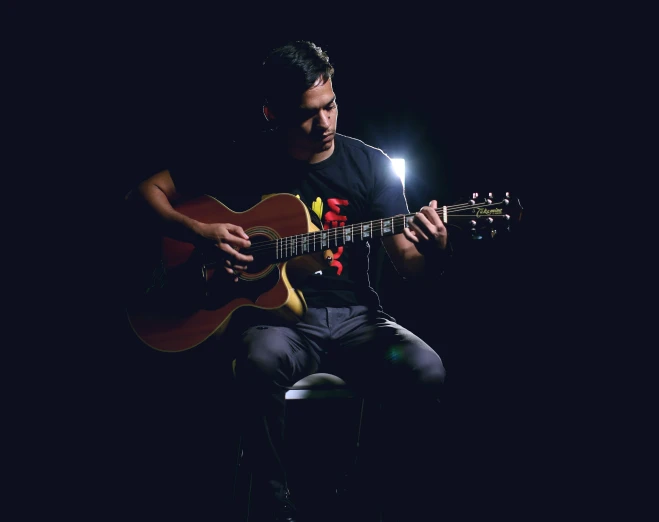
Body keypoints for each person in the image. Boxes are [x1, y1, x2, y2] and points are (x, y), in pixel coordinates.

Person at [126, 40, 450, 521]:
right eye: (306, 114)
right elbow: (144, 194)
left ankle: (365, 498)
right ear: (271, 113)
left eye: (331, 106)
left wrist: (434, 250)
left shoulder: (370, 166)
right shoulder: (241, 157)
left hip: (356, 317)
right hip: (278, 323)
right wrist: (203, 232)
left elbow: (406, 261)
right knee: (259, 360)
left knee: (427, 370)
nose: (324, 124)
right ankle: (275, 506)